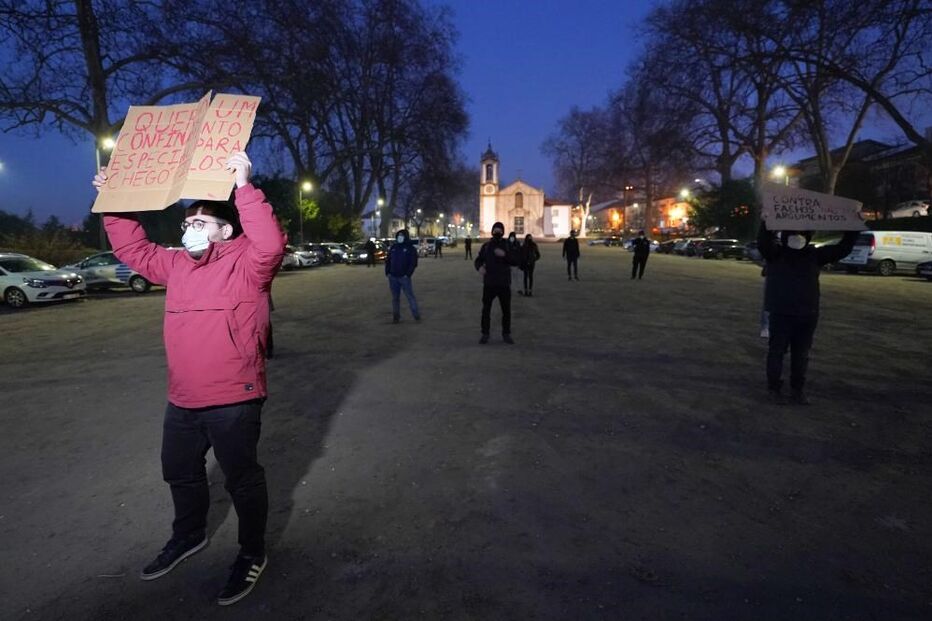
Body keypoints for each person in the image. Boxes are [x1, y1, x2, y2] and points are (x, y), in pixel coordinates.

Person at [92, 151, 284, 606]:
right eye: (187, 222)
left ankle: (252, 552)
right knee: (179, 472)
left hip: (234, 398)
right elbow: (133, 250)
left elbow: (271, 245)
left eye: (202, 221)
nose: (191, 228)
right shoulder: (177, 265)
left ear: (226, 231)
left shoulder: (249, 264)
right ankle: (189, 534)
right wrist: (116, 201)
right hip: (182, 399)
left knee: (242, 481)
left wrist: (244, 186)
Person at [757, 221, 858, 405]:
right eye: (793, 230)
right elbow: (763, 241)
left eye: (802, 231)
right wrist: (767, 221)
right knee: (777, 352)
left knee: (800, 354)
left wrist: (853, 228)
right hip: (782, 313)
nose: (798, 234)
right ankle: (774, 389)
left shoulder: (814, 255)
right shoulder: (775, 253)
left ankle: (797, 390)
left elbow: (843, 249)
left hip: (806, 314)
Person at [475, 221, 519, 344]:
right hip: (489, 283)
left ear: (503, 232)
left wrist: (504, 255)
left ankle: (506, 333)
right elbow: (478, 260)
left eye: (499, 230)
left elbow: (516, 260)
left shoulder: (508, 246)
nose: (497, 232)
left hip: (504, 283)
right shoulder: (486, 246)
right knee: (486, 310)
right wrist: (479, 268)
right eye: (495, 230)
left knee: (506, 311)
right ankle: (485, 333)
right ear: (492, 232)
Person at [385, 228, 420, 323]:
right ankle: (396, 317)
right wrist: (387, 272)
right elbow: (388, 260)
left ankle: (416, 315)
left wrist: (407, 274)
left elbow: (413, 263)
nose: (400, 237)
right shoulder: (394, 247)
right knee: (395, 298)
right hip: (393, 277)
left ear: (405, 237)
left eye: (402, 235)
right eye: (398, 235)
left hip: (404, 278)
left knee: (410, 296)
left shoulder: (410, 248)